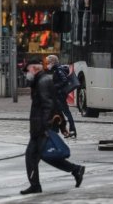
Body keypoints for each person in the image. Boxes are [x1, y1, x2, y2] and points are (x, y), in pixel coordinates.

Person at [20, 59, 85, 195]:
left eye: (27, 71)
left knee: (33, 156)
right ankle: (75, 170)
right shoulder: (40, 80)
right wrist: (60, 125)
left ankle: (36, 186)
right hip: (42, 126)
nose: (26, 74)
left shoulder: (42, 82)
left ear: (34, 69)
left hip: (42, 127)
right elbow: (53, 102)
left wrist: (44, 127)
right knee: (44, 156)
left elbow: (48, 105)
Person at [46, 54, 77, 138]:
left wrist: (54, 86)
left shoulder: (58, 70)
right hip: (58, 95)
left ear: (52, 62)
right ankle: (61, 130)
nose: (47, 64)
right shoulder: (56, 69)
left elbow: (64, 80)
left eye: (48, 62)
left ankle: (72, 130)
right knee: (58, 113)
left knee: (66, 113)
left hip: (60, 96)